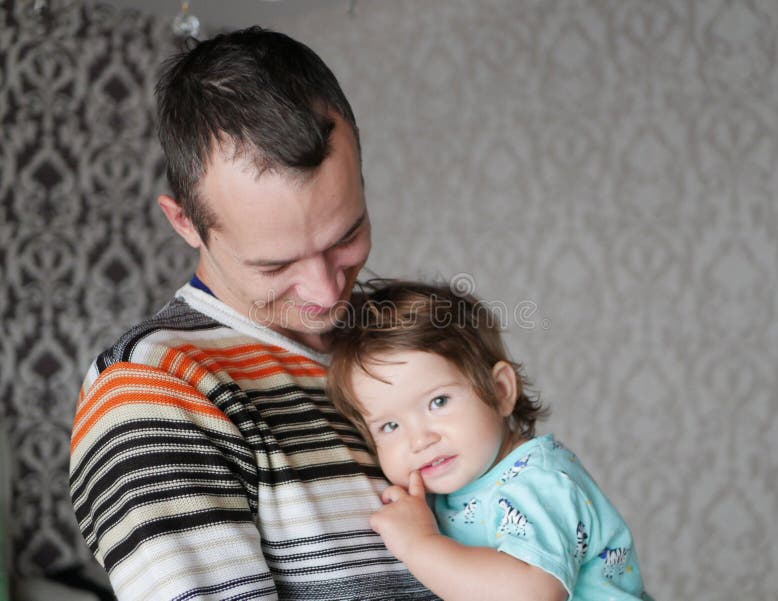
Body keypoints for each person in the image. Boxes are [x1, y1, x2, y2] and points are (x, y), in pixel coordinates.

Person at [69, 28, 435, 600]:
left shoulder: (401, 336)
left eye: (348, 235)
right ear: (185, 223)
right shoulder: (155, 391)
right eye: (275, 265)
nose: (324, 290)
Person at [327, 280, 652, 601]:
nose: (420, 439)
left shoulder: (538, 481)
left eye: (438, 402)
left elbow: (529, 595)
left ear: (500, 391)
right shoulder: (450, 489)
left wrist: (419, 543)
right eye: (390, 425)